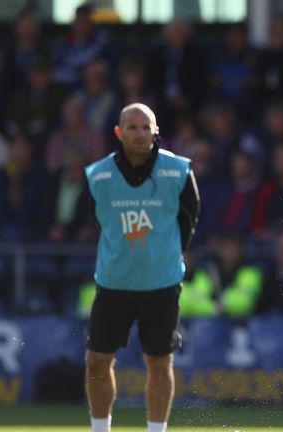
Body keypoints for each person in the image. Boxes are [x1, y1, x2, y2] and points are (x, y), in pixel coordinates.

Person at [83, 103, 200, 432]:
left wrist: (165, 255)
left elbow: (189, 218)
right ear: (119, 132)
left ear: (156, 131)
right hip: (113, 284)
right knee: (96, 361)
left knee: (160, 364)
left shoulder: (178, 170)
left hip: (162, 285)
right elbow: (96, 220)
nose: (139, 133)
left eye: (146, 126)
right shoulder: (98, 175)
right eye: (132, 127)